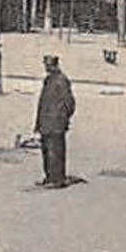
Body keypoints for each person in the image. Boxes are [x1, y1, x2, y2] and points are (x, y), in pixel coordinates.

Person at [34, 54, 77, 189]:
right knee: (46, 151)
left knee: (56, 151)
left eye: (49, 65)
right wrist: (38, 122)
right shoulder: (48, 80)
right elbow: (42, 103)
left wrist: (63, 118)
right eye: (46, 65)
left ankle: (57, 179)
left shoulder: (61, 80)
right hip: (46, 122)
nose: (47, 68)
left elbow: (70, 102)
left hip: (56, 123)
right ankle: (49, 177)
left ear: (55, 65)